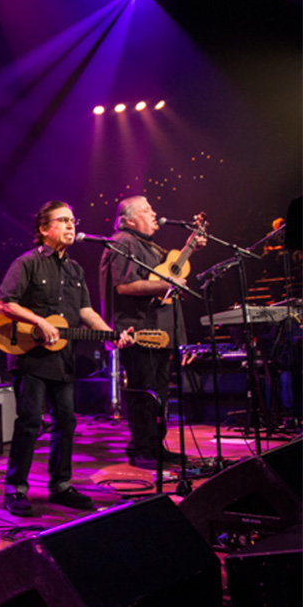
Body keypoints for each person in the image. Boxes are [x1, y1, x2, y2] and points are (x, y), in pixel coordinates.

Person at [0, 201, 133, 517]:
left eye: (73, 220)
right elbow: (2, 303)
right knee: (30, 422)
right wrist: (39, 322)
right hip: (31, 356)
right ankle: (15, 487)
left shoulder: (75, 269)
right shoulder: (26, 263)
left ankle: (60, 485)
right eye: (63, 220)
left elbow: (85, 312)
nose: (71, 225)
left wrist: (111, 334)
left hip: (63, 359)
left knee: (66, 421)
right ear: (43, 229)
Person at [99, 195, 204, 469]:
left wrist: (191, 246)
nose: (154, 213)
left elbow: (163, 273)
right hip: (140, 329)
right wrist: (164, 286)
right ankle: (142, 449)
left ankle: (155, 446)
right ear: (130, 219)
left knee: (159, 392)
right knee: (143, 391)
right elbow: (124, 286)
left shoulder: (147, 245)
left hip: (161, 330)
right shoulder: (124, 241)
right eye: (147, 210)